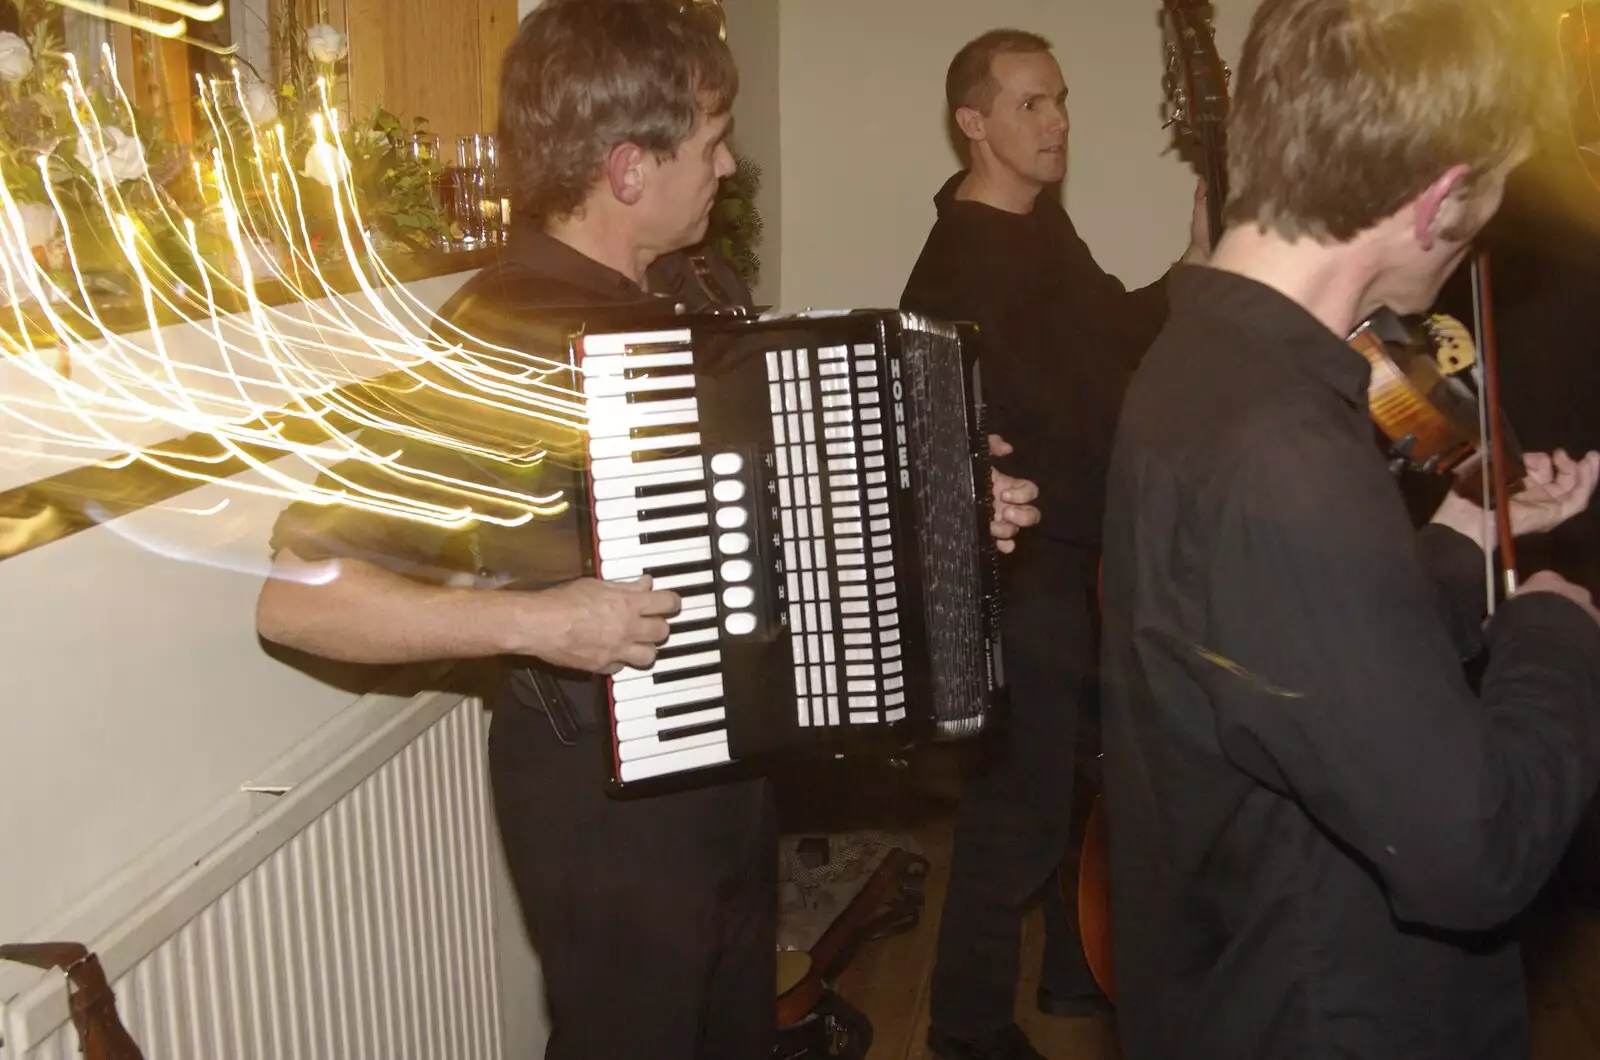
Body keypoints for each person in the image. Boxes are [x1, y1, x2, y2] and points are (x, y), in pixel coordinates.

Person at [254, 2, 1042, 1058]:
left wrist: (945, 515)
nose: (727, 167)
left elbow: (784, 513)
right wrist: (533, 624)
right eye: (711, 143)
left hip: (728, 780)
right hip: (601, 811)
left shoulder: (689, 292)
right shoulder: (495, 339)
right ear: (629, 169)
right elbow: (301, 599)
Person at [1097, 0, 1600, 1057]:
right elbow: (1473, 849)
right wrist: (1555, 626)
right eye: (1491, 189)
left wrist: (1467, 525)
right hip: (1322, 1011)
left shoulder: (1200, 358)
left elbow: (1313, 667)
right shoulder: (1281, 447)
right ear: (1436, 201)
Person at [898, 28, 1206, 1060]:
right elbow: (932, 453)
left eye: (1061, 100)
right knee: (1014, 819)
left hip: (1084, 564)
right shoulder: (951, 271)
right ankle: (967, 1031)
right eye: (1030, 105)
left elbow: (1109, 333)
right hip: (1015, 582)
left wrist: (1189, 274)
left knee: (1092, 787)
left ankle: (1076, 980)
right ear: (972, 121)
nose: (1057, 122)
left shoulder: (1043, 231)